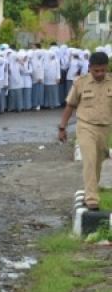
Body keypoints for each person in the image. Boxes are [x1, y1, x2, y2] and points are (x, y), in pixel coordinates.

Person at [58, 51, 112, 210]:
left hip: (105, 128)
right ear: (90, 68)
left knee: (97, 164)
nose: (100, 74)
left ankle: (91, 190)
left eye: (103, 70)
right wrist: (62, 127)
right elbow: (70, 105)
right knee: (89, 159)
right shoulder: (80, 83)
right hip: (85, 126)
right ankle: (92, 199)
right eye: (96, 71)